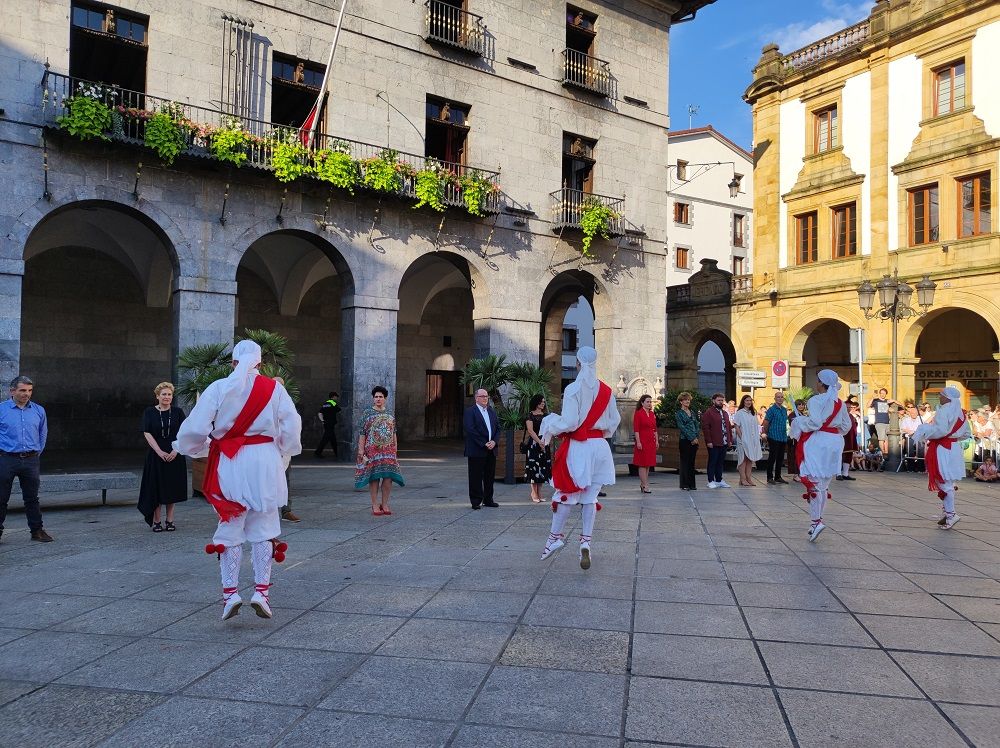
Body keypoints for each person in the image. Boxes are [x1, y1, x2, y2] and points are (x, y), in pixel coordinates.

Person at [174, 340, 302, 620]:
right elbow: (291, 425)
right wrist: (283, 450)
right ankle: (261, 593)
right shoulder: (275, 389)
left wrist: (195, 447)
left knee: (231, 524)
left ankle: (230, 594)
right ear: (260, 364)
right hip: (265, 460)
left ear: (233, 362)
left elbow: (196, 427)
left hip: (230, 461)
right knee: (264, 525)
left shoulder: (219, 388)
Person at [539, 346, 620, 570]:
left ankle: (554, 537)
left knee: (567, 491)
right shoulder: (607, 391)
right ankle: (585, 541)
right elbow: (614, 421)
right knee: (590, 496)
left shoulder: (574, 389)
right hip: (600, 447)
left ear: (577, 363)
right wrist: (600, 433)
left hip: (580, 446)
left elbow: (570, 422)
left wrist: (550, 423)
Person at [790, 370, 852, 542]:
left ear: (821, 383)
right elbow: (846, 426)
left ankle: (816, 521)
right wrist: (833, 430)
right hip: (835, 442)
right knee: (823, 484)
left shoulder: (815, 400)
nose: (816, 383)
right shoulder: (839, 402)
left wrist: (800, 421)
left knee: (813, 480)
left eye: (817, 380)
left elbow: (815, 423)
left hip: (818, 442)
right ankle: (815, 521)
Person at [0, 376, 52, 543]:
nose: (26, 394)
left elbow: (42, 435)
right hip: (6, 459)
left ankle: (37, 531)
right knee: (1, 497)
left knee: (32, 498)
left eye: (29, 390)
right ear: (12, 391)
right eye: (22, 390)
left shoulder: (39, 410)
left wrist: (35, 454)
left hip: (30, 460)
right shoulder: (2, 410)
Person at [912, 387, 972, 529]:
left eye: (941, 395)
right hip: (954, 448)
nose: (939, 396)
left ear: (947, 397)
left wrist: (925, 429)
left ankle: (951, 515)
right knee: (948, 482)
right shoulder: (961, 414)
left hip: (942, 449)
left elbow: (940, 431)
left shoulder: (943, 411)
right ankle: (947, 513)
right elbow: (966, 433)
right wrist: (952, 437)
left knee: (943, 481)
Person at [138, 382, 188, 531]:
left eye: (169, 394)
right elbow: (147, 432)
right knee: (156, 488)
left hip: (174, 454)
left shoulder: (178, 412)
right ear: (157, 396)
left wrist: (176, 450)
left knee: (171, 488)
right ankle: (157, 521)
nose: (167, 397)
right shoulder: (149, 412)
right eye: (164, 394)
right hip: (156, 455)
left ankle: (170, 520)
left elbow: (184, 433)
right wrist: (159, 452)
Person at [356, 386, 404, 515]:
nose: (378, 399)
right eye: (376, 397)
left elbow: (394, 432)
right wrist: (361, 451)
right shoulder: (367, 413)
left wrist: (395, 449)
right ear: (373, 398)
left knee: (388, 477)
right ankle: (374, 504)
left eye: (380, 397)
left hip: (388, 451)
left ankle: (385, 503)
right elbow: (362, 433)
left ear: (385, 398)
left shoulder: (389, 413)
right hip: (372, 451)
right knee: (374, 478)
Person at [464, 388, 500, 509]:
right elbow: (470, 430)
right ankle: (475, 501)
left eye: (486, 396)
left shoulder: (491, 411)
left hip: (491, 449)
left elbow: (497, 428)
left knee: (489, 476)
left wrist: (494, 441)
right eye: (482, 396)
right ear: (476, 398)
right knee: (475, 476)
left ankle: (488, 499)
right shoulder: (470, 411)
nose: (485, 398)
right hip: (477, 449)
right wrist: (484, 443)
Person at [273, 377, 300, 523]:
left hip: (283, 448)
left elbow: (292, 424)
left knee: (285, 478)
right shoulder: (264, 400)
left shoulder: (287, 402)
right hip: (268, 447)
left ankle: (286, 510)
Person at [701, 393, 734, 489]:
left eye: (722, 400)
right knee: (713, 461)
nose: (720, 402)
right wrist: (709, 441)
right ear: (713, 401)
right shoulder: (709, 412)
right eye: (718, 400)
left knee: (720, 462)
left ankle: (719, 480)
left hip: (723, 441)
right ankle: (710, 480)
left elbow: (728, 427)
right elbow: (706, 428)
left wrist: (730, 439)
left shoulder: (724, 413)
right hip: (713, 442)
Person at [524, 394, 552, 503]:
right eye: (541, 402)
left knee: (543, 468)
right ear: (536, 402)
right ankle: (534, 493)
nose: (543, 403)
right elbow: (530, 431)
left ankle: (540, 493)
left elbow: (550, 429)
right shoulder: (530, 415)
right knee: (533, 468)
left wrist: (544, 442)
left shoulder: (546, 416)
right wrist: (539, 442)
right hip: (534, 444)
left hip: (545, 442)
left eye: (544, 402)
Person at [733, 395, 763, 487]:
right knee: (743, 459)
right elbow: (736, 426)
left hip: (752, 439)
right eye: (747, 400)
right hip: (743, 439)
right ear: (743, 401)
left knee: (750, 459)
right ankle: (743, 479)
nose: (749, 402)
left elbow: (755, 427)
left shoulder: (753, 413)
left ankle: (748, 478)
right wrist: (742, 437)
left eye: (750, 400)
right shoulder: (739, 412)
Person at [761, 391, 789, 485]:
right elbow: (766, 422)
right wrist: (765, 433)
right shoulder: (771, 410)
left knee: (780, 458)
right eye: (778, 397)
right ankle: (769, 477)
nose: (780, 399)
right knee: (772, 458)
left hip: (782, 437)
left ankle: (778, 476)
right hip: (773, 436)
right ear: (775, 399)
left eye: (781, 397)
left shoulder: (784, 410)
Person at [632, 394, 658, 494]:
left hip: (651, 441)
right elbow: (636, 429)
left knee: (648, 464)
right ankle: (645, 484)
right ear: (642, 403)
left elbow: (655, 428)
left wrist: (657, 440)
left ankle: (643, 484)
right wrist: (638, 442)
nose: (649, 403)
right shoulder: (638, 413)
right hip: (642, 441)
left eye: (650, 402)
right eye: (647, 402)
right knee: (642, 464)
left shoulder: (652, 414)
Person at [675, 391, 700, 491]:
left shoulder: (692, 412)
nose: (687, 401)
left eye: (688, 400)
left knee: (692, 462)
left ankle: (692, 484)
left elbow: (697, 425)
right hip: (685, 440)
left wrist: (696, 437)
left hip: (695, 440)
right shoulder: (679, 413)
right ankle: (684, 484)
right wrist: (691, 438)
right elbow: (682, 427)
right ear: (681, 401)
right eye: (685, 400)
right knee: (684, 462)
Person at [869, 388, 895, 461]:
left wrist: (894, 401)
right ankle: (883, 452)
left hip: (887, 422)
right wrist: (872, 398)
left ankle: (886, 452)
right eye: (881, 393)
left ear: (886, 394)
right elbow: (868, 405)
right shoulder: (876, 401)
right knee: (881, 438)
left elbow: (895, 405)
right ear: (880, 393)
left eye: (884, 393)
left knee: (886, 439)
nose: (883, 394)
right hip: (879, 422)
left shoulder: (887, 401)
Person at [837, 400, 860, 481]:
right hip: (842, 437)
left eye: (849, 407)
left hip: (851, 438)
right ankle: (838, 473)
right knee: (839, 455)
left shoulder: (851, 416)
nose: (848, 409)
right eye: (847, 407)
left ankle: (845, 474)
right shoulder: (839, 416)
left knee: (849, 455)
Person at [314, 391, 340, 458]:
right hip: (330, 424)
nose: (337, 398)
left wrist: (322, 420)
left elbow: (319, 413)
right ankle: (318, 452)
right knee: (325, 439)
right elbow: (339, 410)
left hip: (326, 423)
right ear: (333, 396)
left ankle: (337, 453)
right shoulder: (333, 403)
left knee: (332, 439)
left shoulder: (325, 404)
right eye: (336, 397)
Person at [787, 399, 807, 481]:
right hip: (794, 438)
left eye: (802, 404)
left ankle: (800, 473)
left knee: (801, 456)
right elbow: (793, 425)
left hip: (802, 438)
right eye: (799, 404)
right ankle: (795, 474)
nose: (801, 406)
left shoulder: (802, 414)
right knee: (795, 456)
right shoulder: (792, 414)